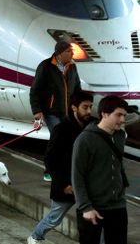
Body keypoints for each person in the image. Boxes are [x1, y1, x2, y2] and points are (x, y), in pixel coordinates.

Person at [27, 91, 94, 244]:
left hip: (87, 184)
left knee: (93, 220)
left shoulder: (92, 125)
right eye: (85, 107)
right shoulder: (62, 129)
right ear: (74, 108)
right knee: (54, 218)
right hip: (67, 185)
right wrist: (63, 184)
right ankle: (35, 237)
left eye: (91, 107)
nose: (89, 111)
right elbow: (50, 159)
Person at [72, 95, 130, 244]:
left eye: (124, 115)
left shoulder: (120, 136)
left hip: (117, 205)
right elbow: (77, 176)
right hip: (92, 207)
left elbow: (116, 165)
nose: (123, 120)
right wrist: (85, 207)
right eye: (118, 115)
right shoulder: (85, 140)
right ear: (104, 114)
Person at [30, 40, 81, 182]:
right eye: (68, 51)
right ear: (59, 53)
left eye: (72, 51)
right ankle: (49, 170)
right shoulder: (46, 66)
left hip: (68, 112)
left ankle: (65, 168)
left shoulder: (72, 67)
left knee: (69, 139)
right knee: (58, 137)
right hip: (51, 111)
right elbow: (35, 90)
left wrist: (79, 105)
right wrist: (37, 111)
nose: (71, 53)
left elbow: (77, 88)